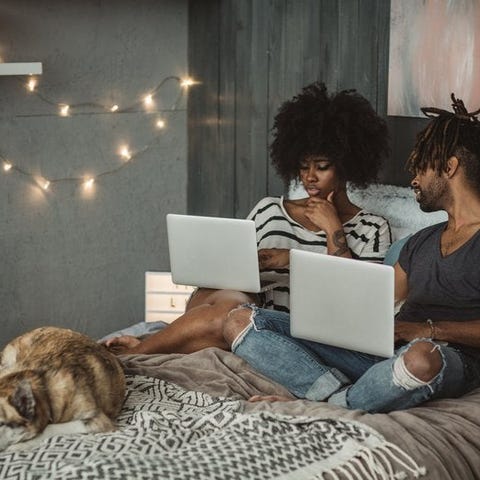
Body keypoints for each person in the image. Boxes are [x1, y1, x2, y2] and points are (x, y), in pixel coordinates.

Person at [222, 94, 480, 413]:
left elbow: (423, 344)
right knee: (241, 321)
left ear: (450, 167)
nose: (414, 179)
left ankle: (322, 400)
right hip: (381, 355)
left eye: (421, 168)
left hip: (442, 359)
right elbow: (368, 303)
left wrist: (427, 329)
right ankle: (335, 395)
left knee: (421, 358)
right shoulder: (420, 242)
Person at [105, 82, 391, 355]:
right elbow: (227, 274)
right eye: (303, 167)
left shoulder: (373, 228)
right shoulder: (268, 210)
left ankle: (140, 351)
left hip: (281, 329)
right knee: (228, 301)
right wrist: (248, 264)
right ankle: (151, 347)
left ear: (346, 165)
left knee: (232, 315)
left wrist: (329, 231)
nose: (309, 177)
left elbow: (351, 306)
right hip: (236, 303)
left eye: (322, 167)